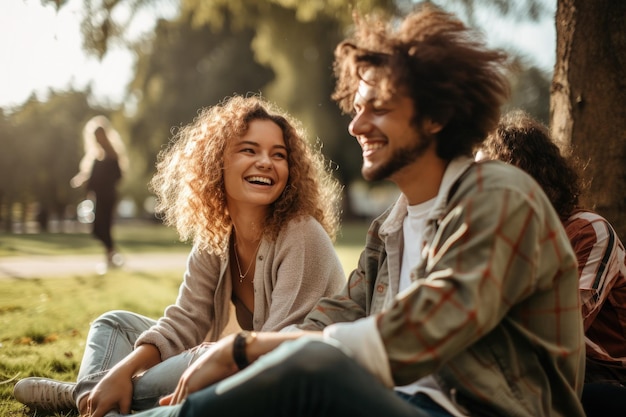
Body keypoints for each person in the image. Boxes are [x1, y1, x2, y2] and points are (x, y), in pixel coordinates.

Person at [124, 4, 586, 417]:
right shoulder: (392, 226)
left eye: (379, 109)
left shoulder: (501, 196)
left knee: (309, 368)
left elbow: (429, 325)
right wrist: (256, 354)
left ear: (436, 117)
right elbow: (333, 316)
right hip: (392, 401)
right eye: (357, 107)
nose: (357, 124)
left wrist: (248, 348)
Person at [13, 95, 346, 417]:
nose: (266, 162)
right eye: (249, 149)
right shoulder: (216, 236)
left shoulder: (300, 234)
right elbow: (186, 320)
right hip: (230, 361)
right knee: (113, 324)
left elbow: (274, 357)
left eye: (279, 155)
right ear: (218, 161)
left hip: (281, 380)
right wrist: (125, 369)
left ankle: (79, 396)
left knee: (208, 354)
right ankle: (98, 395)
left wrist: (209, 357)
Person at [478, 110, 626, 416]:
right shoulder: (500, 239)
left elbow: (558, 331)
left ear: (531, 177)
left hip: (607, 381)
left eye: (489, 178)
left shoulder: (587, 231)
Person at [70, 115, 128, 273]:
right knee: (98, 228)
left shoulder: (112, 156)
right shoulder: (96, 157)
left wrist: (92, 182)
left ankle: (111, 257)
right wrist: (83, 181)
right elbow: (91, 177)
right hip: (97, 197)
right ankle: (112, 255)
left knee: (103, 227)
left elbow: (116, 176)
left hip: (107, 197)